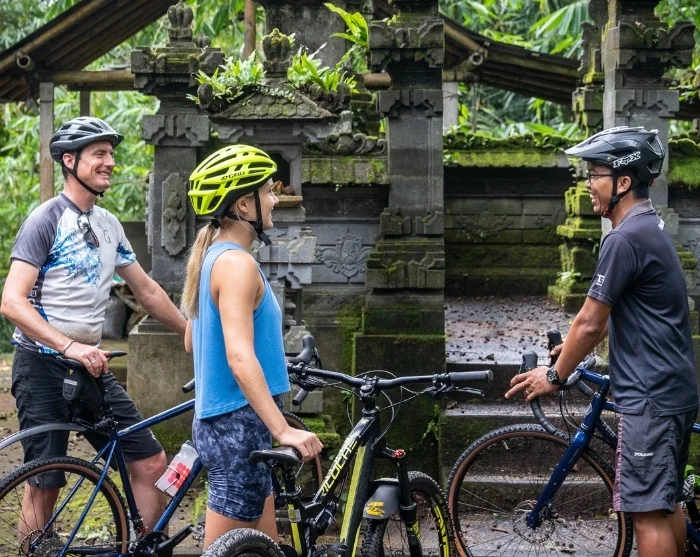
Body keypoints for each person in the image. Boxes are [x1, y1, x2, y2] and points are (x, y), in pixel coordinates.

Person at [506, 126, 699, 557]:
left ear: (623, 181)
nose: (588, 184)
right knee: (666, 504)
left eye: (595, 174)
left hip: (649, 397)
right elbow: (627, 309)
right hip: (672, 389)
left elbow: (590, 322)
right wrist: (576, 351)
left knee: (646, 514)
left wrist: (554, 375)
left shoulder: (623, 237)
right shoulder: (648, 226)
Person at [0, 116, 187, 539]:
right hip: (42, 366)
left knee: (150, 462)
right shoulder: (45, 220)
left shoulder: (108, 224)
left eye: (111, 154)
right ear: (70, 160)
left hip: (92, 366)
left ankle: (142, 547)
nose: (110, 162)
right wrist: (69, 347)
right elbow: (11, 301)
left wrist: (189, 331)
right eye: (99, 153)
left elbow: (146, 290)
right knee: (44, 482)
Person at [181, 144, 323, 549]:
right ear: (244, 205)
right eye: (268, 192)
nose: (275, 199)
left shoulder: (214, 256)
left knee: (263, 548)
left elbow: (193, 341)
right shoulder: (237, 265)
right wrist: (283, 430)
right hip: (237, 426)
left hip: (233, 423)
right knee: (224, 551)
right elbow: (239, 357)